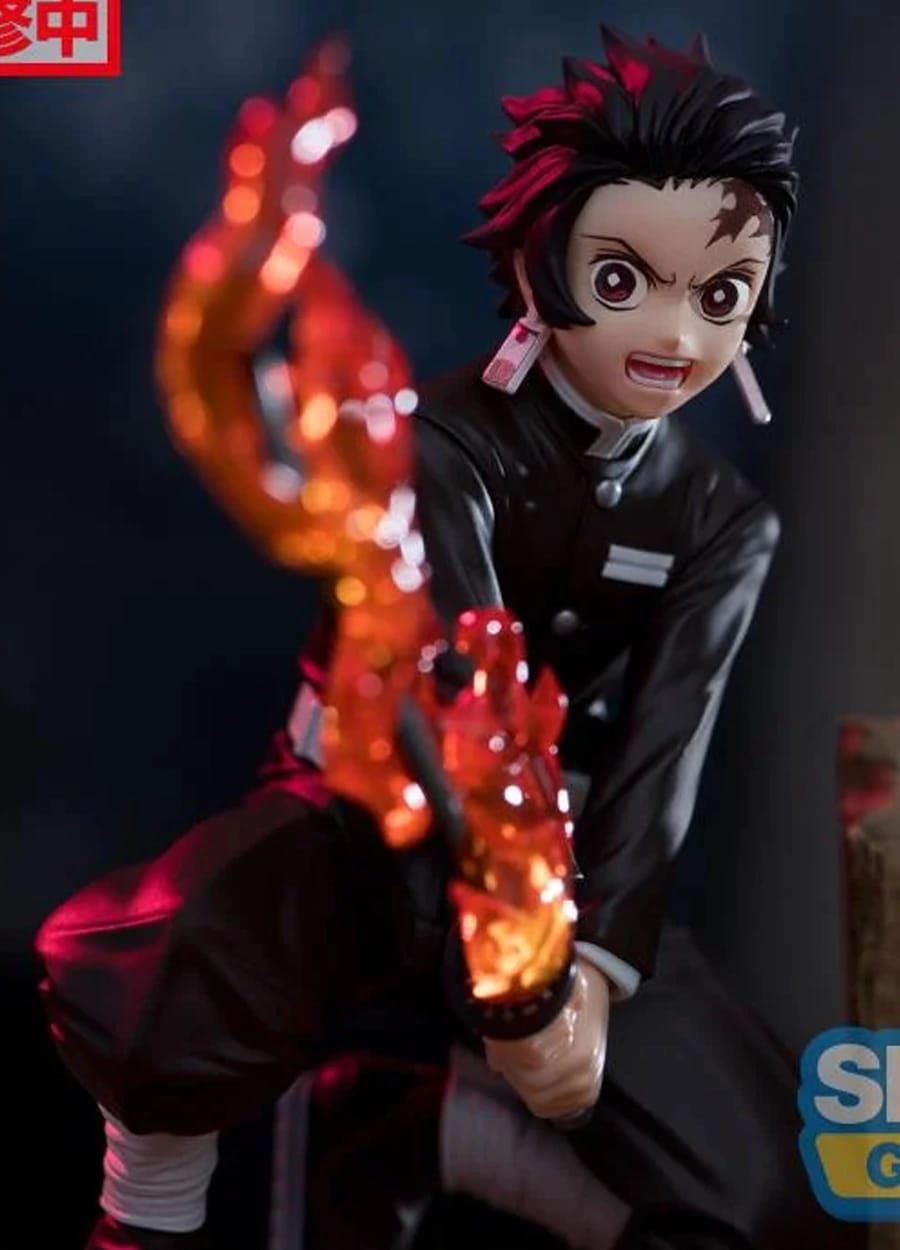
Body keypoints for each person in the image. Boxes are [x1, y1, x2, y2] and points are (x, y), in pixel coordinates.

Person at [35, 26, 859, 1250]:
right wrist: (519, 978)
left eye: (722, 294)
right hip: (371, 817)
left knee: (769, 1192)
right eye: (624, 281)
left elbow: (661, 764)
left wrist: (593, 974)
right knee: (165, 990)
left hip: (572, 870)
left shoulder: (721, 518)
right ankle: (148, 1214)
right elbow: (452, 678)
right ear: (542, 258)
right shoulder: (431, 446)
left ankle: (417, 1127)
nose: (675, 334)